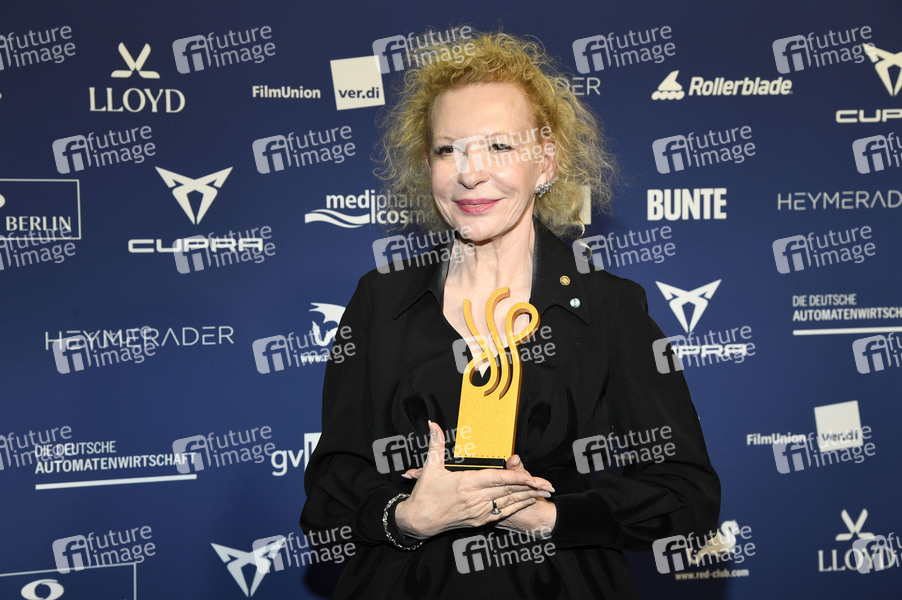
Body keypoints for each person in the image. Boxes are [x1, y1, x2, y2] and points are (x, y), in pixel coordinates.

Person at [301, 31, 720, 599]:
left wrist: (548, 517)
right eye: (448, 150)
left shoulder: (608, 307)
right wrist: (408, 517)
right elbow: (327, 495)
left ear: (544, 161)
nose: (470, 173)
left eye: (499, 146)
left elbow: (688, 495)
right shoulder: (380, 300)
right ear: (427, 165)